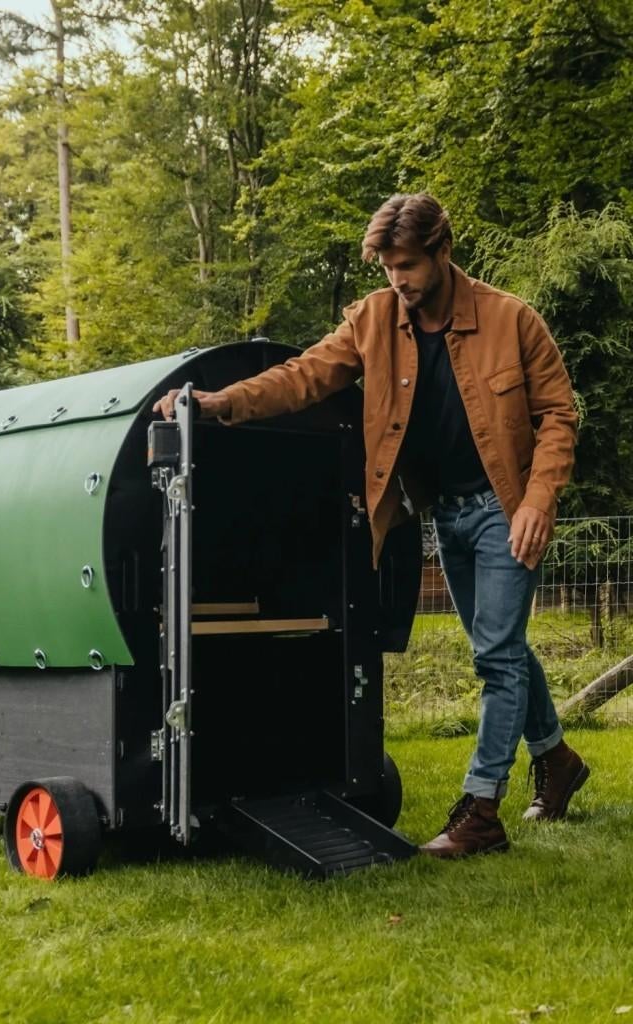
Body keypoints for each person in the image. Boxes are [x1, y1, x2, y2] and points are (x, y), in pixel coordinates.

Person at [153, 193, 589, 859]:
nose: (398, 280)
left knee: (496, 656)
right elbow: (304, 377)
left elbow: (559, 414)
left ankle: (481, 810)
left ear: (443, 252)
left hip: (508, 509)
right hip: (448, 513)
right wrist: (221, 404)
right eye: (387, 268)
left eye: (408, 265)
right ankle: (557, 761)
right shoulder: (375, 320)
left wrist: (538, 500)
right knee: (505, 649)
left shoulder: (513, 321)